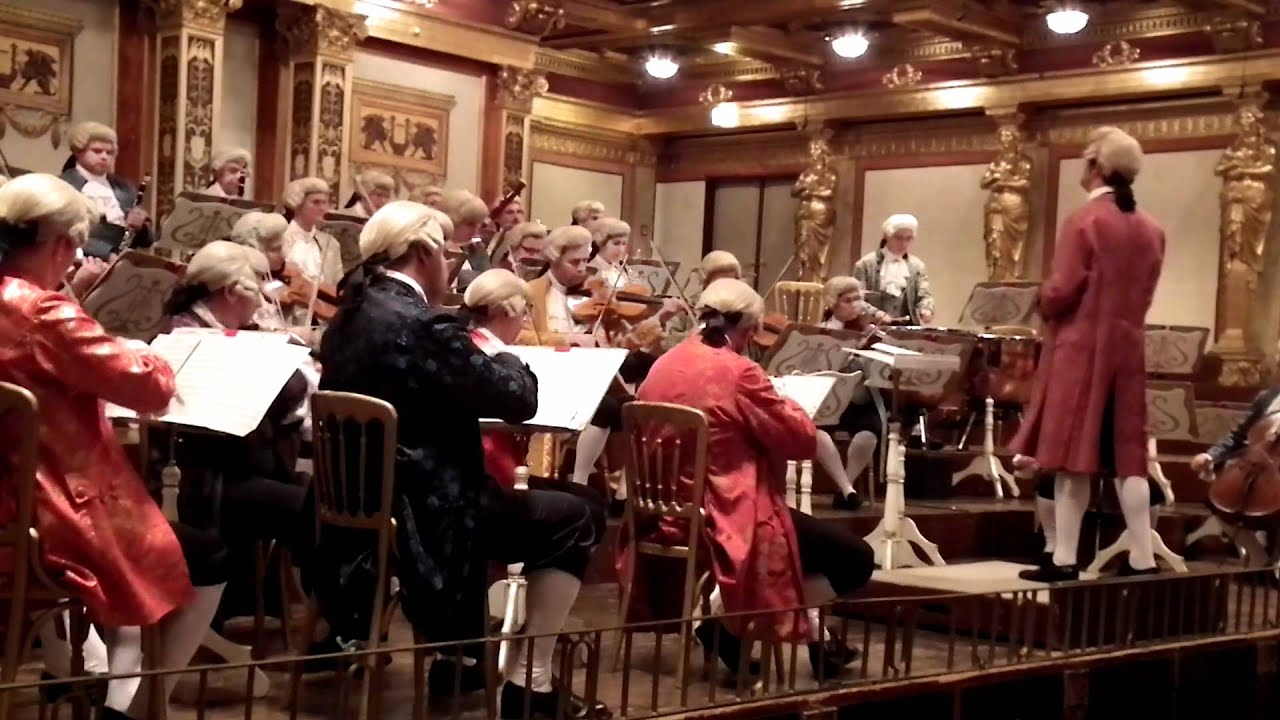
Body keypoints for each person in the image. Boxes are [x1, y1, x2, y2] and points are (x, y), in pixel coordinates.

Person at [316, 202, 608, 717]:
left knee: (545, 501)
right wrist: (505, 353)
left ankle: (462, 664)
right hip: (429, 512)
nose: (450, 264)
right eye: (448, 252)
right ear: (424, 252)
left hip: (358, 505)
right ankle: (529, 683)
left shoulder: (348, 317)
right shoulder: (422, 324)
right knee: (577, 515)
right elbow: (518, 399)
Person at [0, 173, 218, 719]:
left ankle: (88, 675)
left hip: (9, 504)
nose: (73, 262)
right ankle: (136, 707)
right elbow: (148, 386)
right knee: (208, 553)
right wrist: (158, 357)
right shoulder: (43, 311)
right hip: (56, 511)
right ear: (56, 243)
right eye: (72, 248)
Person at [631, 278, 875, 680]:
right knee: (854, 560)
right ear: (746, 329)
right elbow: (800, 441)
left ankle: (801, 633)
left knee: (809, 547)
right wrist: (788, 401)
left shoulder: (666, 361)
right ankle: (726, 624)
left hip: (660, 508)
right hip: (725, 511)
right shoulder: (740, 371)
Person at [1011, 127, 1163, 582]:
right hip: (1128, 349)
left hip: (1081, 351)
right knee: (1128, 456)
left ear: (1095, 166)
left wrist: (1039, 298)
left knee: (1069, 455)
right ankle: (1142, 557)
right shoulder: (1153, 229)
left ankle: (1064, 559)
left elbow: (1061, 291)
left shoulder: (1085, 221)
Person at [159, 240, 317, 646]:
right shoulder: (192, 337)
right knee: (319, 509)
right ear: (230, 292)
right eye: (257, 293)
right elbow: (284, 396)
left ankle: (313, 620)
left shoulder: (204, 328)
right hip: (205, 482)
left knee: (321, 498)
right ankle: (331, 627)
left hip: (225, 471)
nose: (263, 303)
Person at [58, 121, 151, 259]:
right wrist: (107, 253)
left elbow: (148, 240)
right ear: (78, 152)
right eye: (97, 151)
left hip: (122, 263)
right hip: (79, 263)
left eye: (110, 153)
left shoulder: (125, 188)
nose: (104, 157)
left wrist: (141, 227)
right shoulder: (63, 185)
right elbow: (64, 232)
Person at [853, 214, 934, 325]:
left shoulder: (917, 266)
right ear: (887, 236)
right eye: (898, 238)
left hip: (907, 330)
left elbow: (924, 295)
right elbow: (856, 298)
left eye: (908, 239)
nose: (904, 243)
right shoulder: (865, 265)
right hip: (872, 328)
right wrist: (875, 313)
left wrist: (926, 309)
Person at [280, 177, 342, 288]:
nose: (322, 208)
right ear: (298, 204)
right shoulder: (281, 238)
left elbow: (338, 284)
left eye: (325, 202)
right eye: (316, 202)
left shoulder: (331, 244)